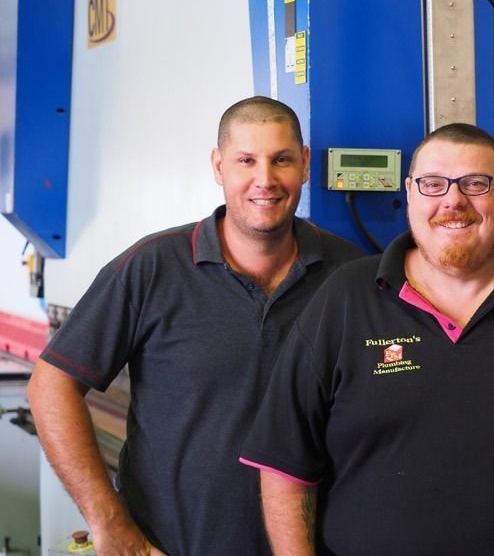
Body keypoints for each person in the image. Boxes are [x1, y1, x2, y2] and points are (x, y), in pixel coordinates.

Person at [239, 122, 494, 555]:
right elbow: (285, 465)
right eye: (433, 184)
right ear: (410, 193)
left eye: (475, 183)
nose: (453, 200)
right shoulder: (346, 297)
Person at [27, 96, 362, 555]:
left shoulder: (351, 275)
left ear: (304, 165)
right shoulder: (152, 268)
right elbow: (51, 387)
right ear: (218, 166)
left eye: (281, 160)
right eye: (246, 160)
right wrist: (111, 526)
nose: (264, 180)